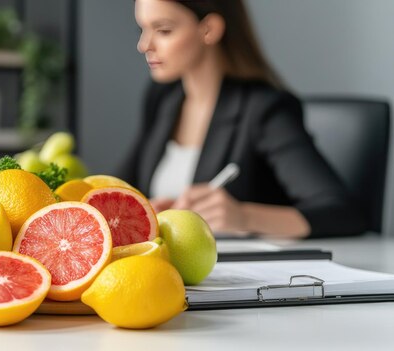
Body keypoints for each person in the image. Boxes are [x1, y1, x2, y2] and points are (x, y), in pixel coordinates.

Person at [118, 0, 367, 238]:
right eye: (143, 29)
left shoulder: (264, 108)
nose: (143, 45)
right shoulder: (164, 97)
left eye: (163, 30)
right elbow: (121, 185)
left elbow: (343, 212)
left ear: (209, 29)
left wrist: (243, 217)